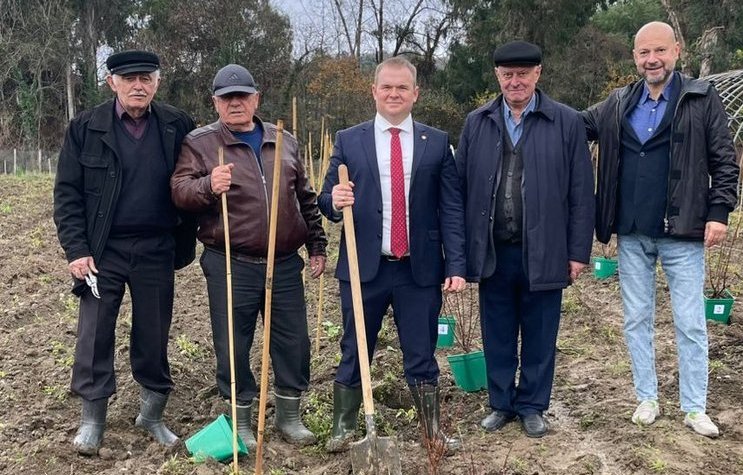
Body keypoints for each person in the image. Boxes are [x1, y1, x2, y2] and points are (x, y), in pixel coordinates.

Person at [581, 21, 739, 438]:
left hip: (682, 231)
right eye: (643, 53)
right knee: (636, 319)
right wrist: (535, 105)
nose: (652, 60)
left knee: (689, 321)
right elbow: (576, 125)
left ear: (677, 51)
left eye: (659, 51)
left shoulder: (701, 98)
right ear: (634, 58)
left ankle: (694, 407)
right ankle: (647, 397)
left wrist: (719, 211)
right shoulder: (619, 102)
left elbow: (725, 159)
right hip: (632, 232)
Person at [171, 64, 326, 449]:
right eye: (227, 98)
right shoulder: (200, 143)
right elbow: (179, 190)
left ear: (256, 99)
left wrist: (317, 244)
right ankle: (241, 417)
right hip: (230, 262)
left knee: (293, 342)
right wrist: (208, 184)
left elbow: (304, 196)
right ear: (216, 103)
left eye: (242, 96)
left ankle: (289, 416)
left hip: (285, 260)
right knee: (233, 343)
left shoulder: (283, 140)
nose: (235, 103)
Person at [318, 56, 466, 453]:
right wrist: (335, 199)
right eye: (387, 87)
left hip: (418, 271)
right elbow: (327, 198)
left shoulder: (436, 142)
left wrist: (456, 265)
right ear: (374, 92)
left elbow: (451, 207)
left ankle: (431, 432)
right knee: (354, 347)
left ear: (416, 93)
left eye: (403, 87)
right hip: (364, 268)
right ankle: (344, 426)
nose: (394, 94)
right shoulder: (351, 140)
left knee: (421, 353)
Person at [53, 50, 197, 455]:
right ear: (111, 81)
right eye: (129, 78)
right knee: (95, 332)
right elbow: (67, 193)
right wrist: (77, 249)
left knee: (154, 331)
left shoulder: (177, 125)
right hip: (103, 251)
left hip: (157, 248)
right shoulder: (86, 127)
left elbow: (194, 178)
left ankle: (151, 415)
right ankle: (92, 419)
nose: (138, 85)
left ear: (157, 82)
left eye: (146, 78)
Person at [455, 40, 594, 438]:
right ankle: (501, 403)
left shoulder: (566, 122)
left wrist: (577, 251)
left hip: (546, 249)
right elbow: (459, 188)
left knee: (540, 332)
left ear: (538, 74)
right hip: (494, 250)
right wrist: (462, 252)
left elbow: (582, 193)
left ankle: (532, 404)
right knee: (496, 331)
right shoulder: (477, 122)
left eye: (522, 74)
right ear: (497, 77)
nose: (514, 81)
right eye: (507, 75)